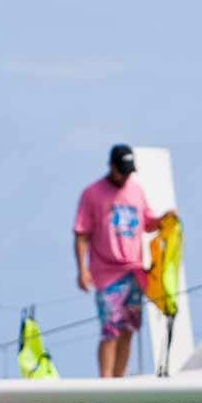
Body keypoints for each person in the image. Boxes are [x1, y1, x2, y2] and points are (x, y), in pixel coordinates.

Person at [73, 144, 174, 378]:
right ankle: (106, 383)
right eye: (122, 171)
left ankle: (119, 382)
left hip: (135, 272)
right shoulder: (92, 193)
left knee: (128, 329)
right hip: (107, 273)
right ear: (111, 167)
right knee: (111, 330)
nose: (126, 176)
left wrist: (164, 219)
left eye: (129, 171)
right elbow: (81, 234)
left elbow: (148, 223)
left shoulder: (136, 190)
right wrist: (82, 270)